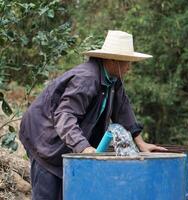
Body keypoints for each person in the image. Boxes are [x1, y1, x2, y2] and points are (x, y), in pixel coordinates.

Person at [19, 30, 167, 200]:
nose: (129, 67)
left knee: (69, 190)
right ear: (112, 60)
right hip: (45, 139)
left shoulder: (113, 79)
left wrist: (141, 143)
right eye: (127, 62)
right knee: (49, 191)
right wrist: (84, 148)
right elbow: (65, 116)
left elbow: (123, 109)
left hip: (66, 139)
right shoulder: (86, 78)